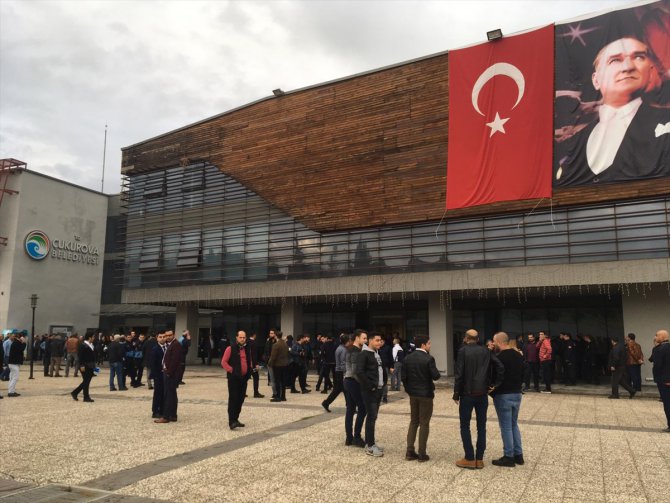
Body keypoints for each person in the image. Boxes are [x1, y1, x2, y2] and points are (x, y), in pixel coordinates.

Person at [555, 36, 670, 186]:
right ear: (596, 80)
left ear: (650, 72)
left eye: (639, 57)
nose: (628, 67)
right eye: (615, 60)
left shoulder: (665, 120)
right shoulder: (573, 143)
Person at [453, 329, 504, 469]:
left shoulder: (462, 351)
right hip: (482, 394)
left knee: (465, 426)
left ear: (466, 338)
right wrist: (495, 384)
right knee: (481, 427)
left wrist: (456, 393)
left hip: (467, 394)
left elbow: (459, 374)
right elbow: (500, 366)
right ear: (477, 338)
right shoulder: (486, 351)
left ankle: (469, 457)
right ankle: (479, 459)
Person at [402, 335, 440, 462]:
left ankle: (409, 451)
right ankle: (422, 453)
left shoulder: (407, 358)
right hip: (426, 395)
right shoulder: (429, 358)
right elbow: (436, 376)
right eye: (429, 343)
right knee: (424, 423)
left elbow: (404, 377)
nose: (430, 345)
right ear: (423, 345)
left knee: (414, 421)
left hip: (413, 394)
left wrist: (409, 390)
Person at [490, 332, 525, 467]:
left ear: (499, 342)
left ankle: (508, 456)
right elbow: (524, 373)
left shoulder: (498, 358)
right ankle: (518, 455)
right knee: (513, 424)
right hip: (517, 393)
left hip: (503, 394)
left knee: (505, 426)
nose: (493, 344)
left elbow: (495, 376)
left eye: (494, 341)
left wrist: (492, 390)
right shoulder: (518, 355)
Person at [355, 332, 387, 457]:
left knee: (373, 417)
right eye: (377, 340)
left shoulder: (376, 354)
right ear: (370, 341)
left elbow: (380, 370)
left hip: (378, 390)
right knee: (371, 417)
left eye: (380, 340)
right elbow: (360, 372)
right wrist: (371, 386)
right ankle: (369, 445)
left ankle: (371, 443)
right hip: (370, 392)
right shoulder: (364, 354)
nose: (380, 342)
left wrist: (382, 384)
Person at [221, 330, 252, 430]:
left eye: (244, 337)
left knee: (241, 399)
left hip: (244, 379)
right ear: (236, 338)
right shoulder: (230, 348)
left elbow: (248, 361)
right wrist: (232, 370)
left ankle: (236, 419)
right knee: (233, 399)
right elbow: (223, 362)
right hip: (234, 378)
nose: (242, 339)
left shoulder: (247, 349)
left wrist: (250, 369)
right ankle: (232, 421)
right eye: (241, 337)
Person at [344, 330, 367, 447]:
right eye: (364, 338)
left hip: (348, 380)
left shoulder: (350, 349)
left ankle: (349, 437)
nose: (365, 340)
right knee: (362, 408)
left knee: (350, 409)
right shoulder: (355, 351)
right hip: (353, 381)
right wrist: (364, 383)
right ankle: (356, 437)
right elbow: (354, 371)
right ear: (357, 338)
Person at [155, 330, 183, 423]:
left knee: (168, 395)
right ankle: (173, 415)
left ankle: (166, 416)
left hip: (171, 374)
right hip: (168, 373)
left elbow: (175, 360)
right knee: (172, 395)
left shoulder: (176, 345)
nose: (167, 337)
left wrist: (169, 372)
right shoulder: (170, 344)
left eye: (169, 335)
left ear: (174, 335)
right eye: (166, 335)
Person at [322, 334, 350, 412]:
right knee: (342, 389)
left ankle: (326, 403)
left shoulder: (339, 348)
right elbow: (343, 362)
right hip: (341, 372)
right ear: (346, 342)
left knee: (341, 389)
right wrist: (346, 372)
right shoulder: (343, 350)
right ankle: (326, 403)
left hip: (338, 371)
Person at [651, 329, 670, 432]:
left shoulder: (659, 349)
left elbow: (656, 364)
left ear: (662, 337)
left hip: (664, 380)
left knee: (667, 403)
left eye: (656, 335)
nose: (655, 337)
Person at [70, 332, 96, 403]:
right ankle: (86, 397)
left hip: (91, 365)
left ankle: (75, 393)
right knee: (86, 381)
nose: (94, 338)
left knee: (86, 381)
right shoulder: (82, 345)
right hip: (84, 365)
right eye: (93, 337)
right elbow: (80, 356)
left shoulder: (91, 345)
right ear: (89, 337)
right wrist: (81, 365)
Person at [268, 331, 289, 402]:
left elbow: (273, 356)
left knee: (277, 381)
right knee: (283, 382)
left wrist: (269, 364)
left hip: (277, 365)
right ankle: (283, 396)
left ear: (276, 336)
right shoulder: (285, 344)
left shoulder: (276, 345)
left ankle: (278, 396)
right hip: (285, 365)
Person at [150, 332, 167, 418]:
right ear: (157, 338)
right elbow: (152, 364)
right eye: (160, 337)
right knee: (157, 393)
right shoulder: (155, 349)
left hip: (165, 375)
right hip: (158, 375)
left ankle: (162, 410)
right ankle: (155, 411)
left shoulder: (167, 348)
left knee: (164, 393)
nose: (162, 338)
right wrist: (155, 375)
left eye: (164, 337)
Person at [7, 332, 27, 397]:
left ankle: (11, 391)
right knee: (15, 378)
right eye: (23, 337)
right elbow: (22, 348)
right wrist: (24, 342)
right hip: (13, 363)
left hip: (13, 363)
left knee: (12, 377)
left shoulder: (16, 343)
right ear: (20, 337)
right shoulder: (16, 343)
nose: (24, 338)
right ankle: (10, 392)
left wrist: (23, 342)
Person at [247, 333, 264, 398]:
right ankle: (256, 393)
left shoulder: (246, 342)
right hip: (253, 364)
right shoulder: (253, 343)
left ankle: (242, 393)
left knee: (245, 379)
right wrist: (256, 364)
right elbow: (254, 355)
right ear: (254, 335)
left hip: (247, 363)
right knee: (256, 378)